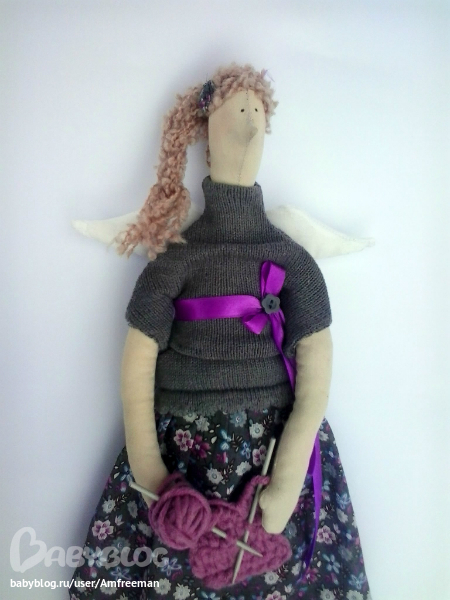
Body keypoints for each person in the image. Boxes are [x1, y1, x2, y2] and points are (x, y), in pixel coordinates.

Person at [69, 62, 371, 600]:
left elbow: (316, 372)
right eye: (237, 110)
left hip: (273, 446)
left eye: (256, 110)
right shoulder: (176, 258)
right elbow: (138, 360)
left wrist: (287, 479)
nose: (248, 123)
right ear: (205, 131)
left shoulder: (290, 257)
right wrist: (150, 468)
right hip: (183, 454)